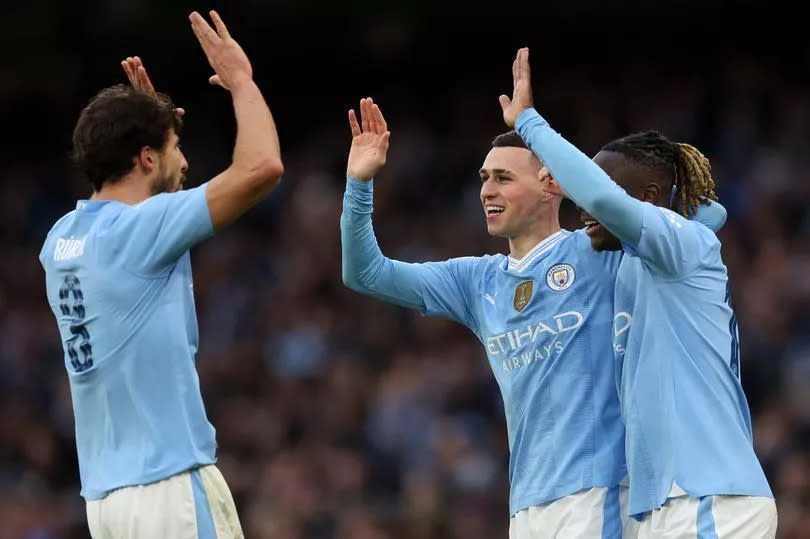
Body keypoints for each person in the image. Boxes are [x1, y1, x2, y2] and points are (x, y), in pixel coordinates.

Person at [341, 97, 724, 537]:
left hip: (599, 493)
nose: (487, 190)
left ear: (551, 185)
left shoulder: (601, 249)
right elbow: (364, 274)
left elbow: (706, 217)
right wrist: (359, 183)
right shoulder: (476, 280)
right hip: (525, 506)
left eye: (503, 178)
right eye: (484, 179)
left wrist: (585, 182)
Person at [501, 47, 776, 537]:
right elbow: (709, 211)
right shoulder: (638, 262)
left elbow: (608, 199)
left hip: (708, 498)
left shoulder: (684, 245)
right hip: (663, 508)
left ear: (648, 201)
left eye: (600, 189)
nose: (585, 207)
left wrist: (530, 124)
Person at [38, 11, 283, 539]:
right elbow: (263, 167)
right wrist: (241, 81)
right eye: (173, 149)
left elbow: (148, 233)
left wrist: (146, 119)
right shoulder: (142, 230)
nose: (186, 161)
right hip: (169, 489)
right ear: (146, 158)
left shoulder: (59, 239)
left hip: (105, 503)